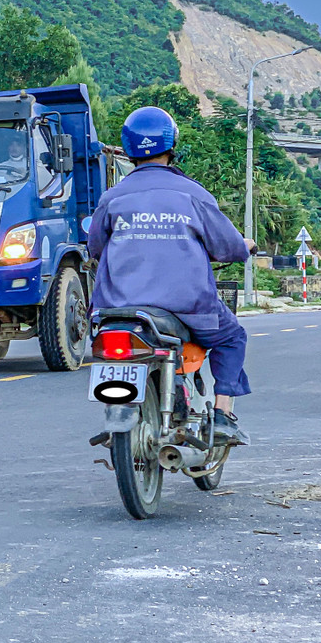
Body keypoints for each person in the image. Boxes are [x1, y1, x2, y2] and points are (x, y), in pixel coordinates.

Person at [87, 106, 256, 445]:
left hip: (116, 309)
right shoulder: (193, 194)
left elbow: (95, 248)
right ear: (171, 143)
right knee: (232, 337)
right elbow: (228, 248)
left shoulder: (111, 197)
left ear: (128, 148)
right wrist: (245, 246)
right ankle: (222, 415)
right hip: (187, 306)